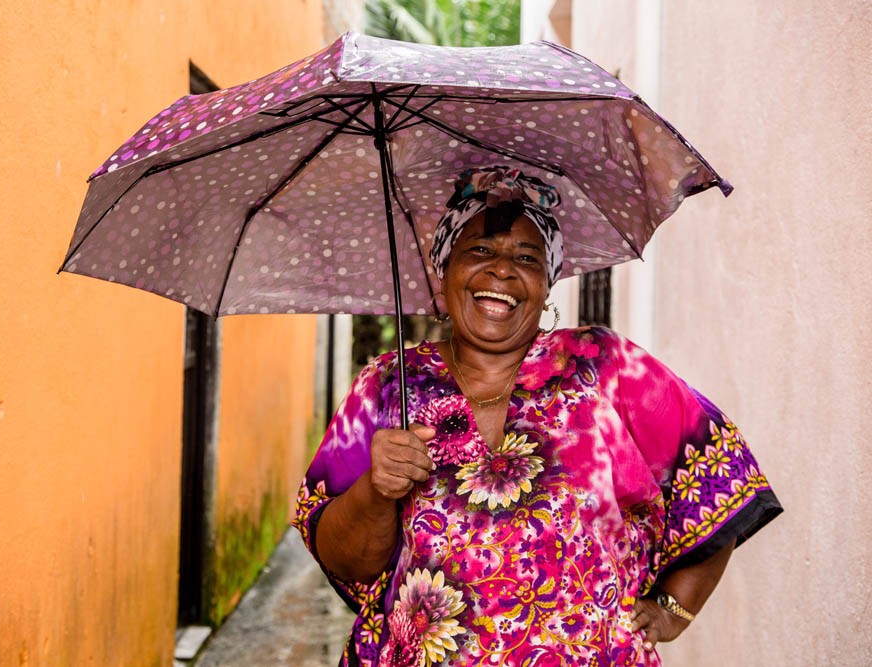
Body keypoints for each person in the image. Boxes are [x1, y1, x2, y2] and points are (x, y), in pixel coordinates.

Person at [293, 166, 781, 667]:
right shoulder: (388, 385)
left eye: (527, 258)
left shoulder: (602, 366)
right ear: (444, 274)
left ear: (547, 286)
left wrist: (674, 609)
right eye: (480, 251)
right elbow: (343, 559)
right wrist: (377, 488)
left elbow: (724, 476)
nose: (502, 270)